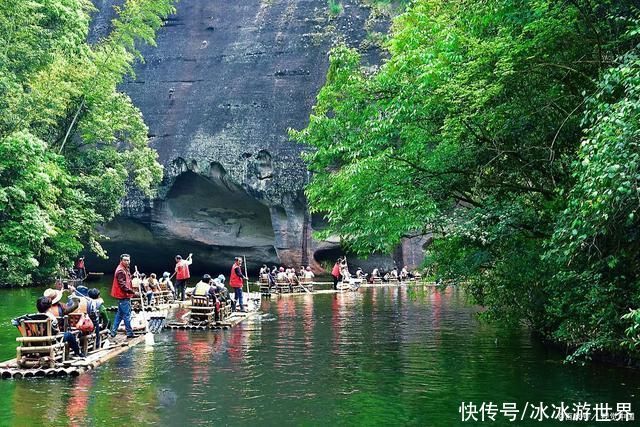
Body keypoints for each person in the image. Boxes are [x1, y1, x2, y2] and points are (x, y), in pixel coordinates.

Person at [110, 254, 135, 339]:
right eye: (125, 260)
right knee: (127, 315)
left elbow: (127, 279)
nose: (127, 262)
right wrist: (133, 292)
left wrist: (133, 276)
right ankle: (129, 333)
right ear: (121, 261)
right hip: (123, 295)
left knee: (119, 315)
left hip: (124, 295)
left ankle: (113, 332)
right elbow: (122, 286)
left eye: (128, 260)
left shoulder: (125, 269)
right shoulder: (120, 270)